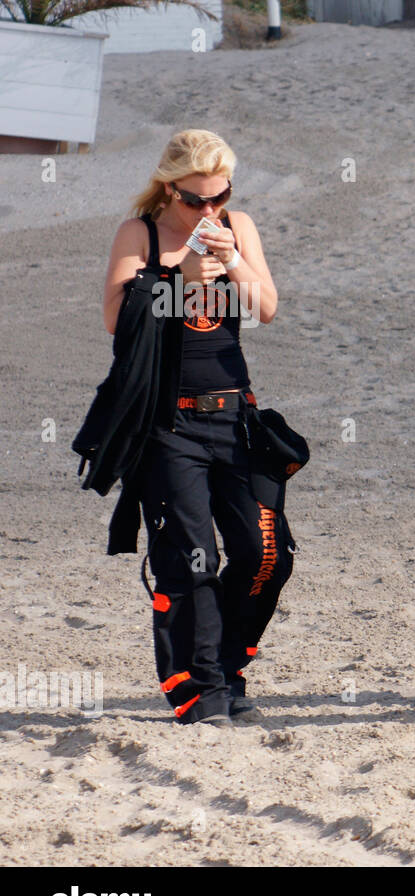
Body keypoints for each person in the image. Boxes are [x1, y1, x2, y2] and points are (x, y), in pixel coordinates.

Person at [101, 129, 291, 725]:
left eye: (219, 197)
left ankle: (229, 665)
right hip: (167, 421)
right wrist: (183, 272)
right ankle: (200, 688)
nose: (208, 210)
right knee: (191, 558)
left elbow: (265, 309)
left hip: (235, 415)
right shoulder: (142, 233)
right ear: (168, 187)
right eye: (194, 200)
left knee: (268, 553)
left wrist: (232, 259)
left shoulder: (239, 225)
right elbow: (117, 320)